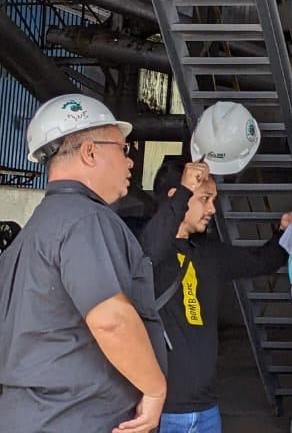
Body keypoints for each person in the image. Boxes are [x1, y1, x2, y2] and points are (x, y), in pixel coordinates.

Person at [0, 94, 167, 433]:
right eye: (123, 149)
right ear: (91, 152)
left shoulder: (36, 229)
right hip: (75, 418)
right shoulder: (86, 220)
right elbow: (111, 319)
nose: (131, 161)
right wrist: (155, 388)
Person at [142, 148, 292, 433]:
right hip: (163, 412)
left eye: (214, 200)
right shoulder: (145, 251)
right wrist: (185, 189)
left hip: (207, 410)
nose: (212, 209)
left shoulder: (208, 252)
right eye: (205, 199)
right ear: (177, 199)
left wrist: (286, 233)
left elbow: (262, 262)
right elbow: (151, 249)